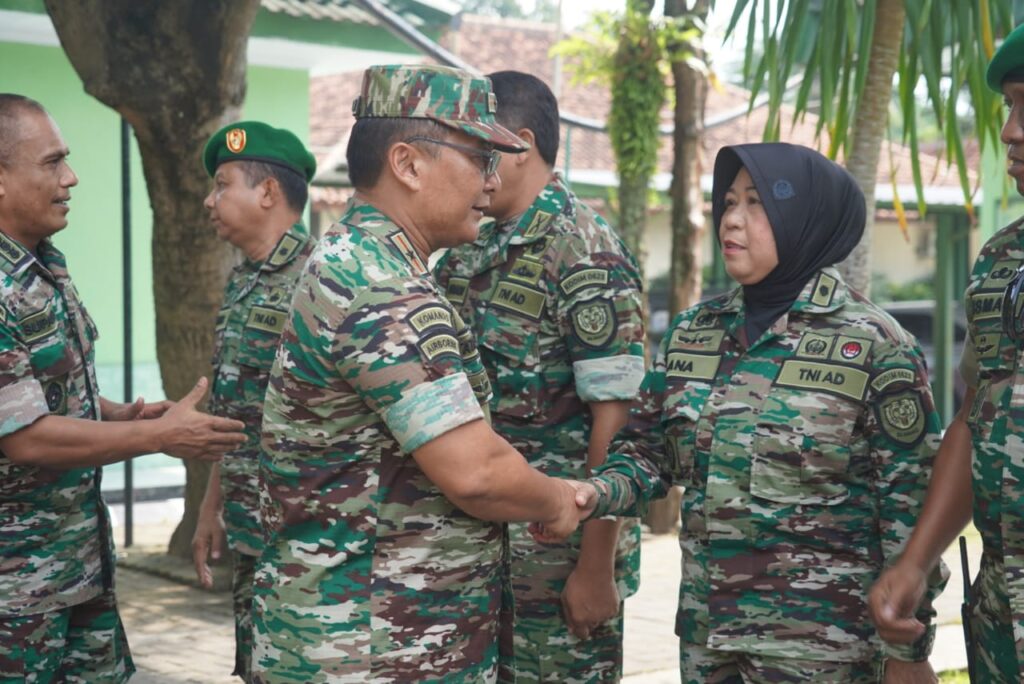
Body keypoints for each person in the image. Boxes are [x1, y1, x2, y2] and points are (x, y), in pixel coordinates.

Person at [251, 64, 594, 683]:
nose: (492, 183)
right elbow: (477, 473)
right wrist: (558, 500)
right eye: (479, 158)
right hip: (374, 644)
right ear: (407, 164)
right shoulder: (382, 288)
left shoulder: (356, 260)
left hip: (365, 631)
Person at [565, 143, 948, 683]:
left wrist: (910, 652)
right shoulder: (694, 333)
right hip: (709, 639)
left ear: (803, 220)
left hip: (823, 650)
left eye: (755, 203)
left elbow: (909, 508)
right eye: (726, 203)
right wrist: (592, 494)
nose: (732, 221)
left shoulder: (874, 345)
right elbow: (647, 454)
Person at [0, 94, 247, 681]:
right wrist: (158, 437)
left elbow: (43, 390)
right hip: (15, 589)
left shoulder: (42, 264)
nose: (71, 177)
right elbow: (26, 438)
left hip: (77, 564)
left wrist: (120, 417)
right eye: (52, 162)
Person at [433, 70, 645, 683]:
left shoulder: (584, 249)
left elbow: (619, 421)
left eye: (481, 149)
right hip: (478, 549)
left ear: (520, 145)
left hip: (558, 557)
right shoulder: (470, 248)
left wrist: (596, 566)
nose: (472, 165)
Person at [869, 22, 1024, 681]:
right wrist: (917, 559)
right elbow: (975, 417)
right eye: (1010, 106)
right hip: (1001, 609)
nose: (1011, 131)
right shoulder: (1000, 260)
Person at [190, 120, 318, 682]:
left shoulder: (319, 280)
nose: (208, 199)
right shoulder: (245, 280)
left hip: (304, 542)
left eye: (222, 184)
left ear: (268, 192)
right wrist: (212, 505)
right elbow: (235, 411)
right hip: (250, 531)